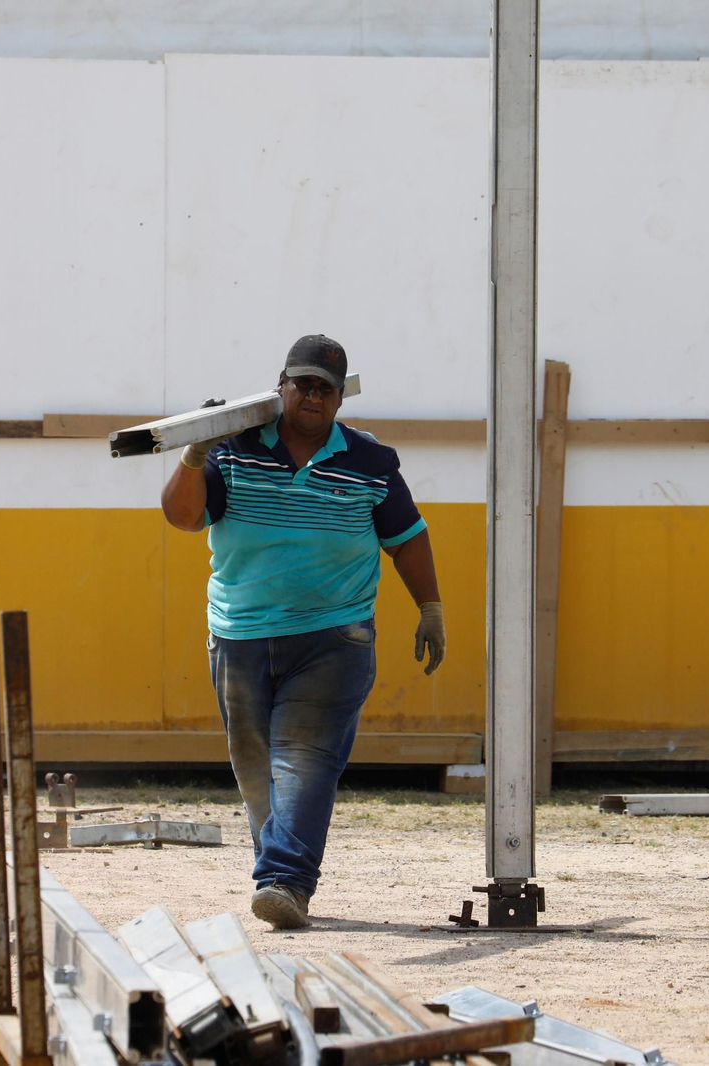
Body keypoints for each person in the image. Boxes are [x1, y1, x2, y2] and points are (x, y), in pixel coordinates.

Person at [160, 334, 445, 930]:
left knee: (306, 760)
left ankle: (285, 880)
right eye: (303, 384)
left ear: (340, 400)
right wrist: (193, 455)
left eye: (326, 388)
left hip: (333, 636)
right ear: (281, 387)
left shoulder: (371, 462)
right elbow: (184, 517)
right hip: (239, 633)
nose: (313, 396)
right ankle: (279, 868)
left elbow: (407, 537)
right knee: (255, 761)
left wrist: (430, 607)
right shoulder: (232, 449)